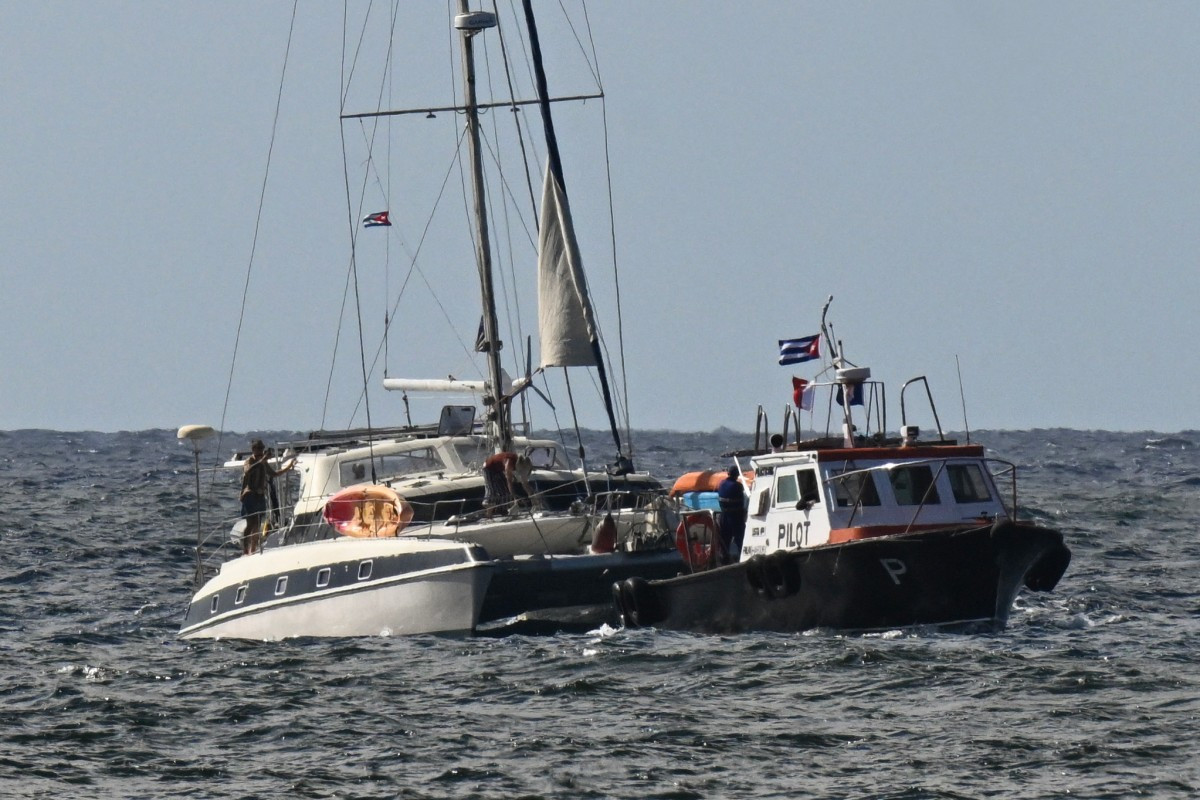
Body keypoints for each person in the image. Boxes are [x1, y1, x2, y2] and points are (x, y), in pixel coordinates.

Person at [240, 439, 296, 555]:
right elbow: (248, 471)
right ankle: (246, 548)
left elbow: (274, 474)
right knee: (251, 524)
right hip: (250, 496)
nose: (261, 451)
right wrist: (261, 461)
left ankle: (253, 548)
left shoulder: (263, 462)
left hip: (260, 497)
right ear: (253, 450)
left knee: (258, 523)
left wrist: (288, 467)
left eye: (262, 449)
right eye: (259, 449)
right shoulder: (249, 461)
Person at [483, 450, 536, 517]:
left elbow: (524, 482)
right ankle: (488, 510)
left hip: (498, 469)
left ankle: (502, 509)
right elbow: (509, 482)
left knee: (505, 490)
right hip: (488, 467)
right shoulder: (509, 463)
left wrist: (532, 496)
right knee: (492, 489)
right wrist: (514, 498)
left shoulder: (522, 464)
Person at [717, 466, 747, 563]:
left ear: (728, 473)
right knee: (740, 542)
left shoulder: (721, 484)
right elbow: (743, 502)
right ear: (737, 475)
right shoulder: (738, 486)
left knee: (725, 543)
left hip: (723, 517)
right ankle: (741, 561)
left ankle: (724, 562)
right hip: (735, 518)